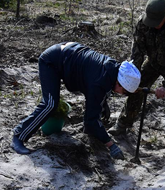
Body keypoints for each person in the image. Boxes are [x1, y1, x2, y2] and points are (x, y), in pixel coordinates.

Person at [11, 42, 141, 160]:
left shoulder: (112, 68)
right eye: (124, 91)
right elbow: (91, 121)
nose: (122, 94)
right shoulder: (99, 82)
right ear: (120, 82)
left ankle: (91, 134)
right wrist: (111, 144)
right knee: (50, 104)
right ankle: (19, 135)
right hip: (52, 61)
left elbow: (97, 88)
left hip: (67, 54)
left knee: (93, 110)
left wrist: (102, 104)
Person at [109, 0, 165, 155]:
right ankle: (123, 123)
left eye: (156, 21)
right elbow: (137, 49)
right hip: (153, 62)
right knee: (136, 88)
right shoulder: (143, 22)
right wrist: (132, 73)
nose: (151, 24)